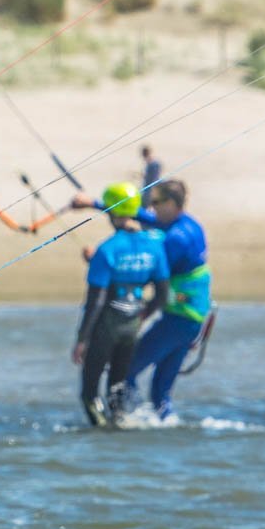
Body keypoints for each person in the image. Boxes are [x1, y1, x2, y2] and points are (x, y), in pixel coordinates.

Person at [72, 183, 169, 427]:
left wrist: (82, 339)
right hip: (132, 325)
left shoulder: (106, 251)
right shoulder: (154, 246)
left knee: (89, 392)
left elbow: (96, 301)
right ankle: (119, 426)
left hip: (106, 326)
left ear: (111, 212)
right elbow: (161, 295)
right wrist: (141, 317)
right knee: (117, 387)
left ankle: (103, 432)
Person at [121, 178, 211, 422]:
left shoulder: (176, 239)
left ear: (171, 203)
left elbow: (155, 278)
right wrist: (97, 204)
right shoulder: (190, 224)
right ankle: (163, 422)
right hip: (192, 319)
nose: (151, 207)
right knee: (160, 392)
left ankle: (130, 419)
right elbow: (151, 220)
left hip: (178, 320)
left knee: (126, 371)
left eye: (156, 202)